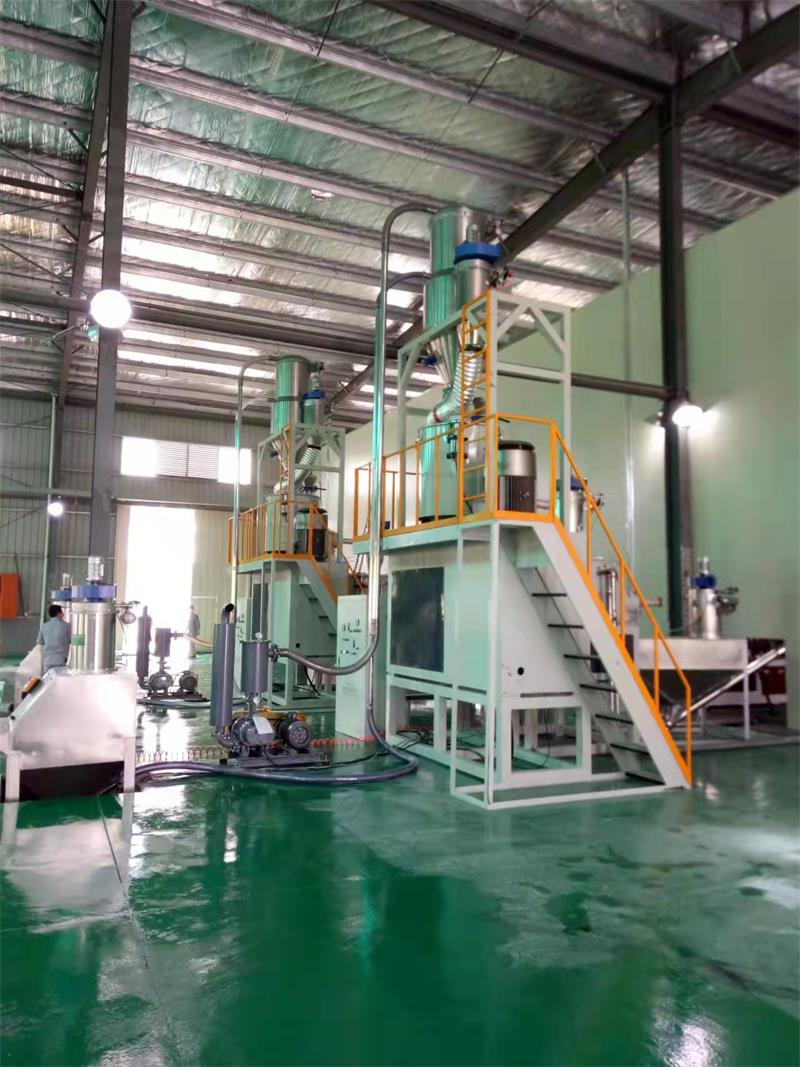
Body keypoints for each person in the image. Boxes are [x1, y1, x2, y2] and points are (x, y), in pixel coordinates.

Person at [36, 604, 71, 673]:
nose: (63, 614)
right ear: (58, 614)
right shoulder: (67, 626)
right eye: (62, 612)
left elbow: (40, 642)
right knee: (60, 678)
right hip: (61, 661)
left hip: (48, 661)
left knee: (48, 678)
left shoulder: (44, 626)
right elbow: (70, 640)